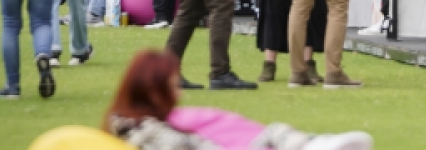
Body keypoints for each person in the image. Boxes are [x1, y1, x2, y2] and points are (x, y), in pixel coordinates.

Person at [104, 49, 373, 150]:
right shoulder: (143, 130)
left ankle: (313, 144)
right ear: (152, 90)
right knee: (273, 135)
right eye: (172, 87)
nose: (178, 94)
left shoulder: (135, 123)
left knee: (273, 134)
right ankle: (313, 145)